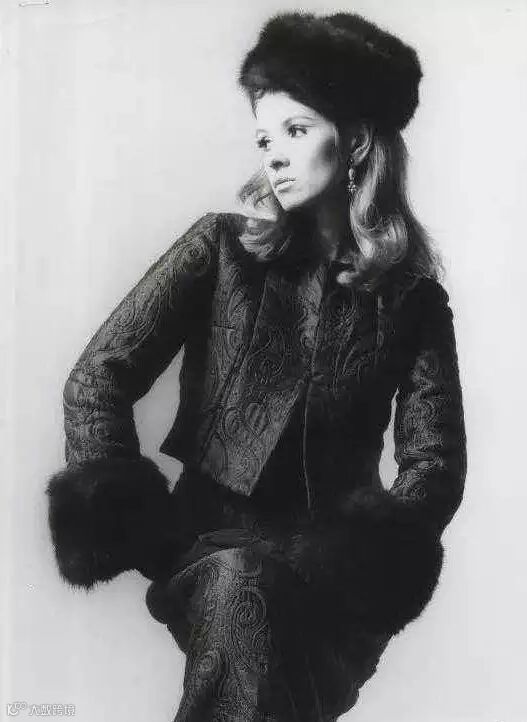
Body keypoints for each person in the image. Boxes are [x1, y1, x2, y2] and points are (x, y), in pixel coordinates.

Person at [46, 10, 467, 721]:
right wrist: (132, 514)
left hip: (333, 587)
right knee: (242, 585)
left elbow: (435, 461)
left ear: (358, 141)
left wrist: (363, 561)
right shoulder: (219, 249)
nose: (274, 155)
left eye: (296, 131)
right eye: (265, 138)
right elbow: (97, 377)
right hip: (211, 552)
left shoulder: (414, 301)